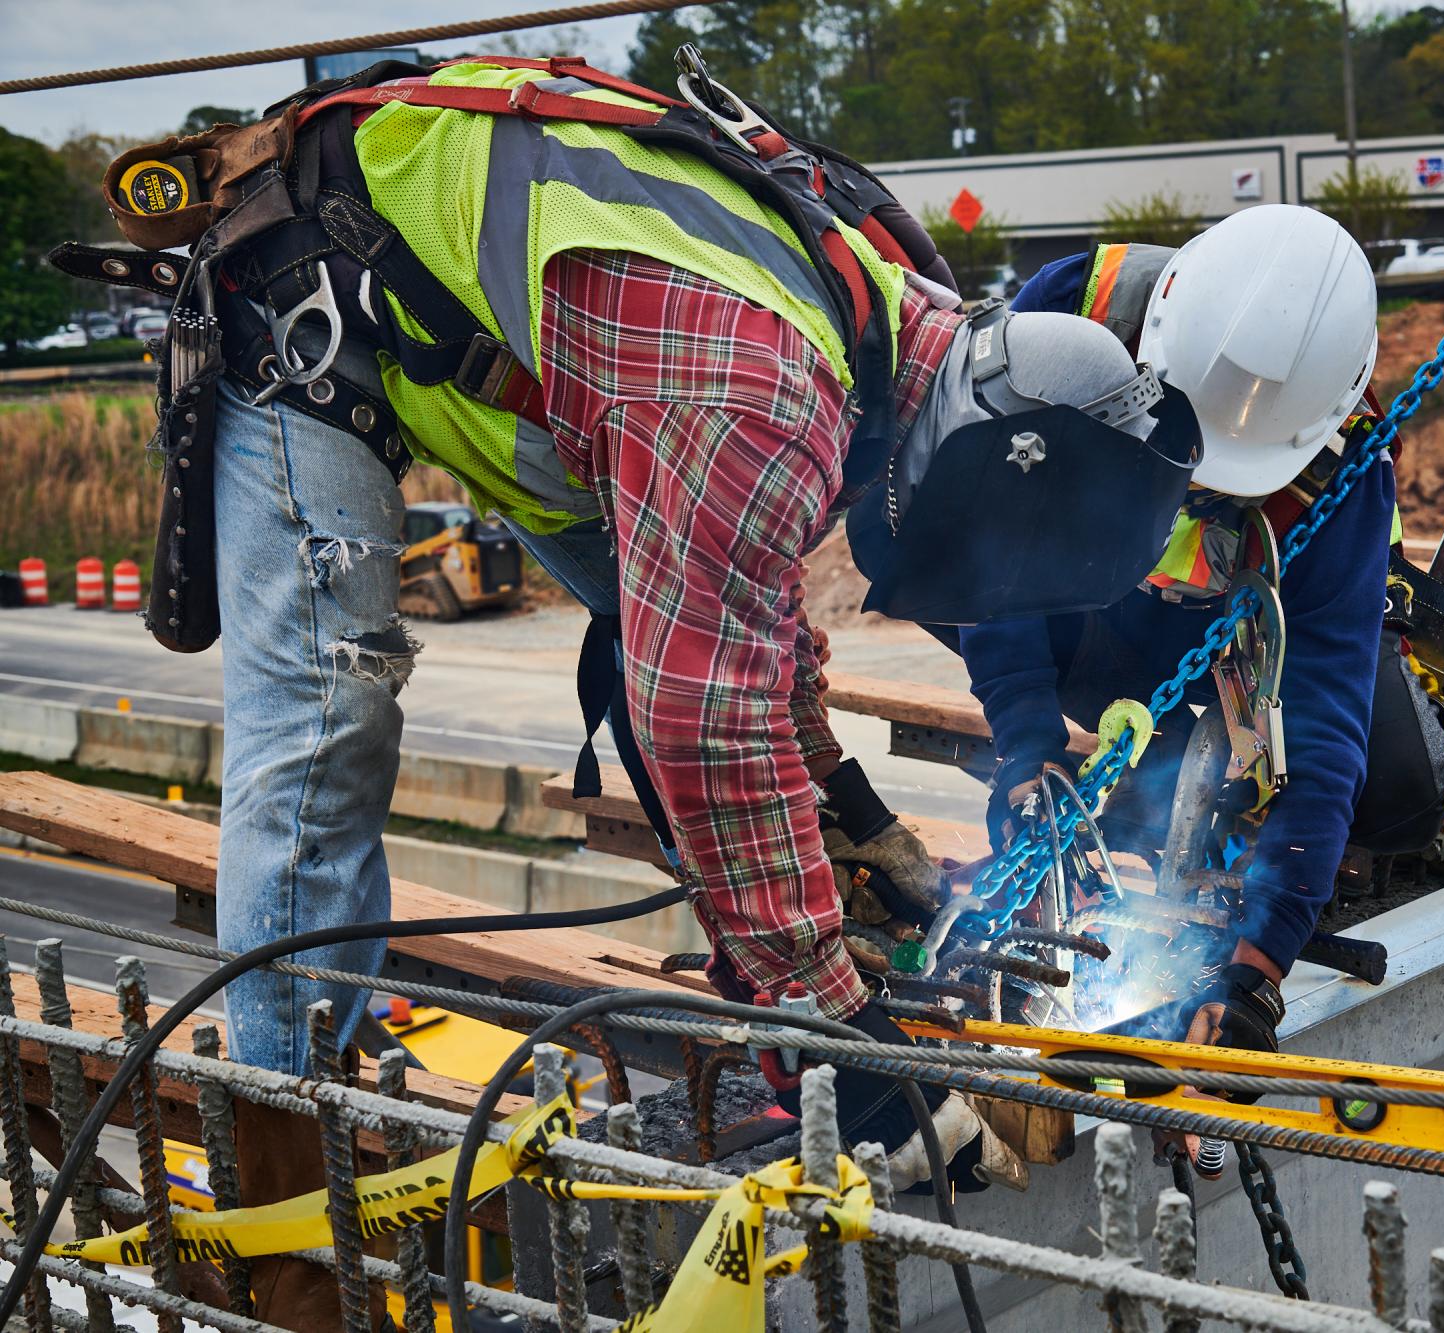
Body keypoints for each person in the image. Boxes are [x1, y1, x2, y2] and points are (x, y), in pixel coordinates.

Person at [74, 52, 1191, 1198]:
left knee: (688, 669)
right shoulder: (756, 390)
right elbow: (704, 722)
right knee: (325, 744)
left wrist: (838, 804)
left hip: (507, 331)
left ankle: (782, 926)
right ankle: (289, 1200)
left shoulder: (895, 315)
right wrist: (844, 1055)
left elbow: (737, 606)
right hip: (310, 296)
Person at [952, 206, 1444, 1060]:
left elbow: (1325, 723)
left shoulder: (1343, 469)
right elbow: (990, 551)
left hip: (1253, 642)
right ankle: (1134, 752)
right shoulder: (1068, 319)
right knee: (929, 548)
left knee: (1397, 793)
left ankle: (1213, 771)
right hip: (1101, 615)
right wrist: (1024, 748)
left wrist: (1256, 966)